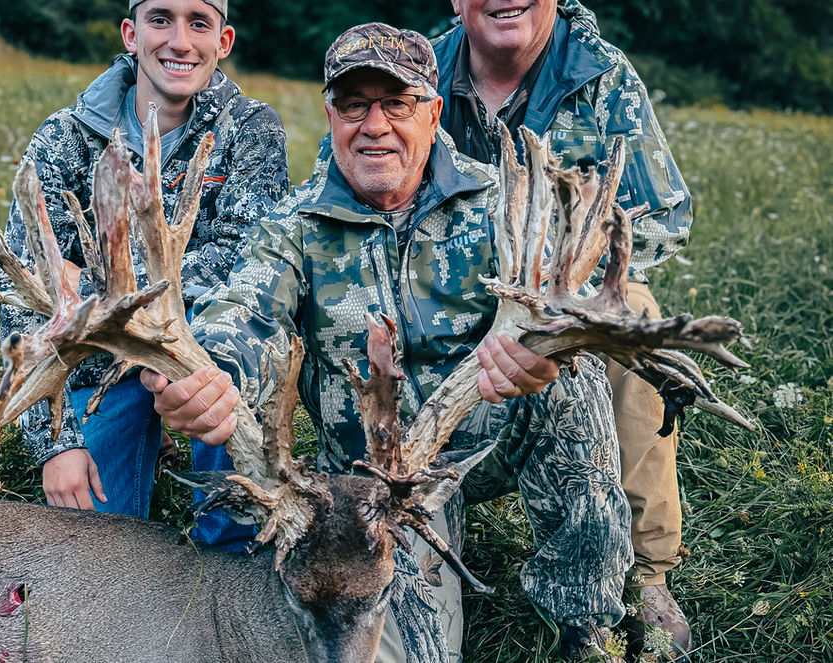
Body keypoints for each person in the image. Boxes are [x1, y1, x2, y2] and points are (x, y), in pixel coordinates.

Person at [143, 22, 631, 663]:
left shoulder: (499, 203)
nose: (374, 125)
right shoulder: (296, 223)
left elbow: (579, 299)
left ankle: (586, 628)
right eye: (354, 105)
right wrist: (203, 374)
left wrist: (545, 347)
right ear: (331, 115)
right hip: (371, 491)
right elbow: (241, 312)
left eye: (396, 104)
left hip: (484, 432)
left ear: (433, 113)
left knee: (574, 379)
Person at [432, 1, 694, 658]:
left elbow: (666, 214)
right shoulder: (424, 72)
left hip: (563, 298)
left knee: (630, 314)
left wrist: (563, 289)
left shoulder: (600, 79)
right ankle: (422, 521)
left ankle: (644, 572)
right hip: (450, 305)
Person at [0, 0, 289, 546]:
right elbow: (27, 298)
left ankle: (225, 563)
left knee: (237, 533)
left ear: (222, 42)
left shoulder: (250, 131)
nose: (179, 41)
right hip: (95, 366)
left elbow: (244, 266)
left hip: (196, 357)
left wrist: (86, 290)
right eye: (161, 20)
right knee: (95, 547)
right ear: (132, 33)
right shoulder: (66, 137)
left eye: (198, 23)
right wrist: (55, 445)